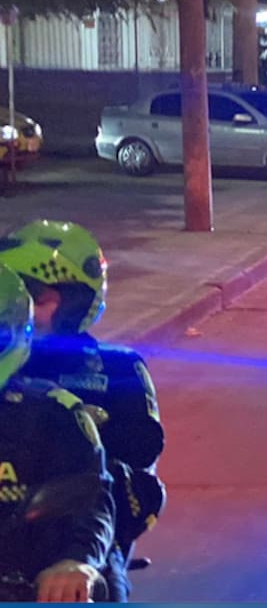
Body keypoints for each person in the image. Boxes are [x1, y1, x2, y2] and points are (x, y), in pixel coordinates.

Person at [0, 220, 165, 603]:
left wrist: (80, 559)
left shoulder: (114, 370)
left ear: (74, 302)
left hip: (74, 547)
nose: (28, 309)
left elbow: (119, 477)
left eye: (39, 298)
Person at [0, 265, 116, 603]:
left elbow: (89, 500)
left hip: (30, 586)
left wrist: (75, 562)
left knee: (105, 586)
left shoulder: (55, 412)